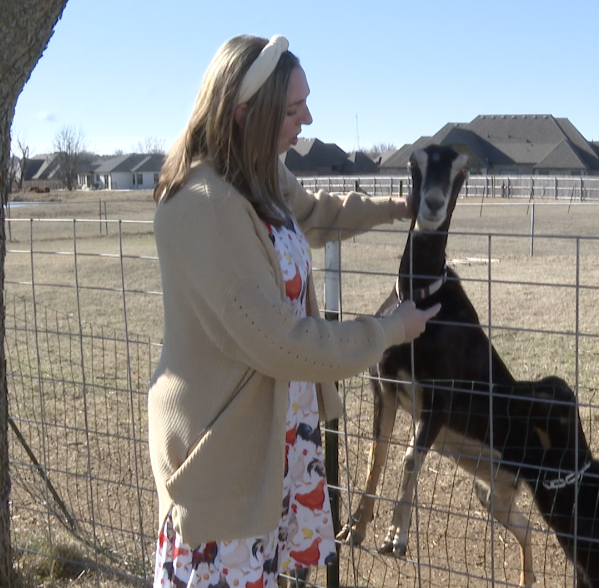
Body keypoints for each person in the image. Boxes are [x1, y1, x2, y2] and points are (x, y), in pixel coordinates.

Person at [147, 34, 439, 588]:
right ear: (244, 113)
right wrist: (390, 330)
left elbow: (314, 213)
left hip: (277, 424)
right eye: (292, 109)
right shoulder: (204, 207)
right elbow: (282, 341)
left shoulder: (257, 172)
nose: (307, 119)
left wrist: (396, 208)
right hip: (227, 449)